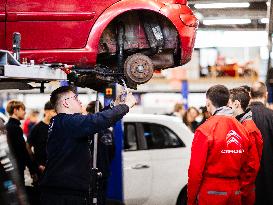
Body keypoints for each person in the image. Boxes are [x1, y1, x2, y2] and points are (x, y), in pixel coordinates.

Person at [40, 86, 136, 205]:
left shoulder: (62, 122)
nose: (80, 101)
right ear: (65, 103)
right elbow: (96, 121)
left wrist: (113, 105)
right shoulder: (67, 122)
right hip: (64, 195)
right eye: (75, 98)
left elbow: (92, 120)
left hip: (62, 191)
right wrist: (125, 106)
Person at [187, 85, 250, 205]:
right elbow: (247, 166)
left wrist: (191, 200)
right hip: (235, 192)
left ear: (208, 103)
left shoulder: (204, 130)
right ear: (227, 102)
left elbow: (195, 170)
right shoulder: (242, 129)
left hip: (211, 192)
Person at [229, 87, 263, 205]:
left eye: (229, 104)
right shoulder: (241, 125)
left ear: (236, 104)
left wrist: (241, 191)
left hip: (244, 193)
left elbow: (252, 167)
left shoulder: (248, 129)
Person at [86, 101, 115, 205]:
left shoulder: (89, 132)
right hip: (104, 171)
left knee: (91, 198)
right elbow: (112, 152)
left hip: (91, 173)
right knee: (102, 198)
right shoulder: (108, 132)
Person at [248, 82, 273, 205]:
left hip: (248, 173)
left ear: (250, 95)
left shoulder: (242, 117)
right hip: (269, 171)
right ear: (266, 95)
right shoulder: (271, 115)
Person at [5, 100, 38, 185]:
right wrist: (32, 170)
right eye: (23, 109)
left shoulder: (8, 127)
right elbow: (22, 151)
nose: (25, 112)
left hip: (10, 168)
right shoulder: (15, 128)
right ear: (15, 110)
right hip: (17, 169)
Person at [27, 101, 56, 177]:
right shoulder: (37, 128)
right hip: (42, 169)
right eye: (54, 111)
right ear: (46, 111)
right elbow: (27, 147)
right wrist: (37, 165)